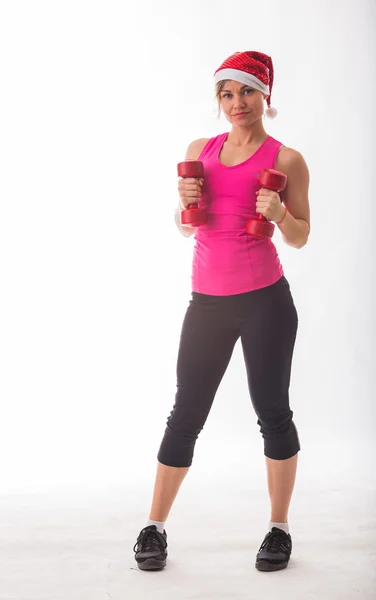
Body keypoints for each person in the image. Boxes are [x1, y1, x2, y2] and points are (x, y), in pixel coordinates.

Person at [133, 50, 310, 573]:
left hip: (266, 303)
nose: (238, 103)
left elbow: (301, 235)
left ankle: (278, 529)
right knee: (186, 412)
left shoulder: (287, 159)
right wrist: (181, 205)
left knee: (272, 412)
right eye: (228, 94)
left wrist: (278, 215)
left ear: (266, 95)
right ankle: (155, 524)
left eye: (249, 91)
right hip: (207, 303)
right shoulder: (199, 151)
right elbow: (190, 227)